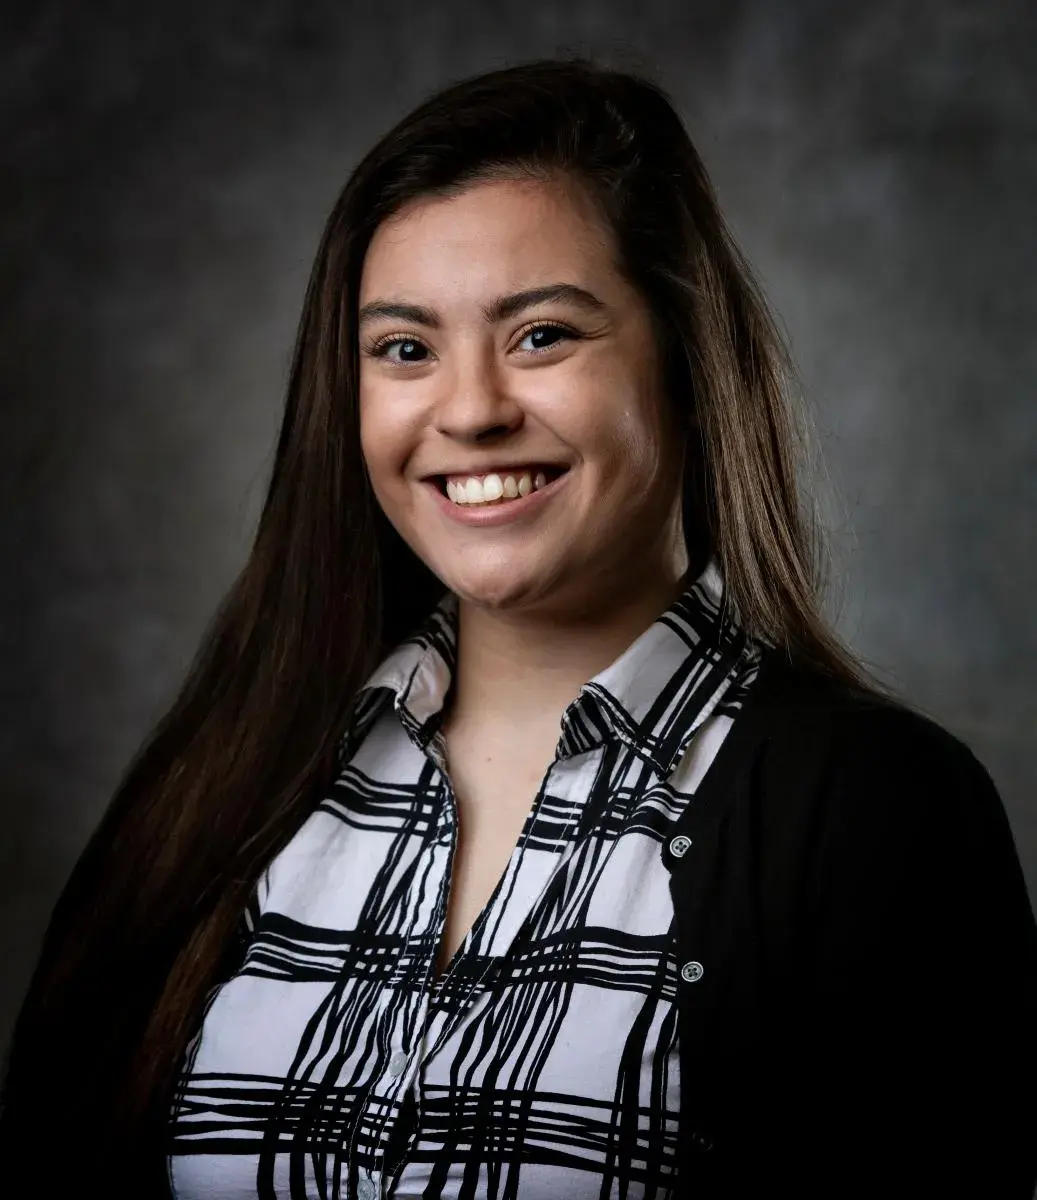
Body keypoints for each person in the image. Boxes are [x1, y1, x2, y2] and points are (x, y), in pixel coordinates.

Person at [1, 56, 1035, 1200]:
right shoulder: (224, 782)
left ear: (685, 364)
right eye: (404, 349)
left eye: (541, 335)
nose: (472, 409)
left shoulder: (878, 811)